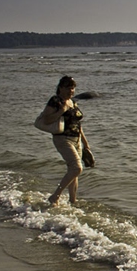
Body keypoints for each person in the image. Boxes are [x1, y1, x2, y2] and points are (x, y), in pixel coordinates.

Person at [43, 76, 92, 205]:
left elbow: (77, 124)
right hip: (63, 139)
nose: (71, 91)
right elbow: (46, 119)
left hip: (76, 139)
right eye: (69, 88)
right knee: (76, 168)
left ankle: (72, 201)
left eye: (73, 88)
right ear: (60, 88)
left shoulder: (72, 101)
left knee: (73, 171)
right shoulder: (55, 101)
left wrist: (85, 143)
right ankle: (55, 196)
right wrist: (62, 110)